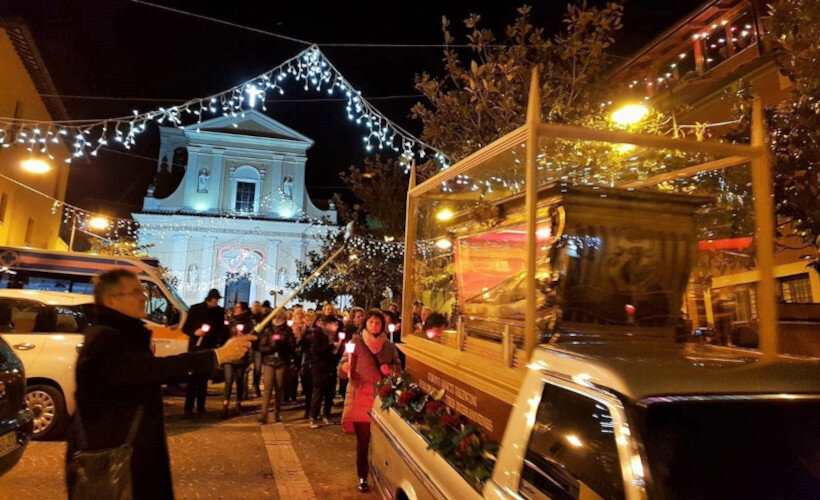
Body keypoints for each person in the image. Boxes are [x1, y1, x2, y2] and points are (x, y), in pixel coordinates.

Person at [66, 269, 253, 499]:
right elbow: (154, 370)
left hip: (132, 457)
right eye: (136, 292)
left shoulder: (123, 335)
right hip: (119, 466)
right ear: (112, 300)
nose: (144, 297)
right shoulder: (105, 339)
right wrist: (217, 356)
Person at [338, 309, 401, 493]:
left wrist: (389, 368)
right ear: (365, 323)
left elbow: (399, 369)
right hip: (360, 399)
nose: (374, 326)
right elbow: (341, 370)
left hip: (382, 399)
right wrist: (345, 367)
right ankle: (363, 476)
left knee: (382, 442)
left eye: (378, 323)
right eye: (371, 322)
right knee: (363, 441)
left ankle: (383, 473)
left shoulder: (389, 347)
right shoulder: (355, 343)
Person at [181, 288, 227, 418]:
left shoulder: (218, 312)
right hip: (195, 349)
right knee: (192, 380)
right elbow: (186, 328)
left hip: (208, 349)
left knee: (203, 381)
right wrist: (195, 332)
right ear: (210, 299)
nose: (216, 302)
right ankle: (188, 409)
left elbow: (221, 330)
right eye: (215, 300)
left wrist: (218, 342)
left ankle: (201, 407)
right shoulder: (195, 309)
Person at [257, 309, 295, 424]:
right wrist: (271, 348)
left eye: (279, 317)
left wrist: (282, 346)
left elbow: (292, 346)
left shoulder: (287, 331)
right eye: (275, 317)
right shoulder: (268, 330)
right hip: (269, 361)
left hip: (281, 362)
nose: (277, 319)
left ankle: (276, 414)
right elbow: (261, 347)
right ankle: (264, 413)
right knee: (268, 387)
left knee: (279, 387)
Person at [309, 315, 342, 428]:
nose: (336, 327)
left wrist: (337, 349)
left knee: (329, 394)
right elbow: (317, 350)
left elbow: (334, 354)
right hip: (320, 368)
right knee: (318, 393)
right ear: (327, 324)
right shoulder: (318, 334)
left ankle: (326, 415)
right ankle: (313, 417)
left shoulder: (334, 336)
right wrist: (331, 346)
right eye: (334, 324)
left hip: (331, 368)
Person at [222, 301, 253, 418]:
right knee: (228, 379)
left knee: (239, 380)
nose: (235, 309)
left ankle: (238, 401)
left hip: (241, 355)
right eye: (235, 307)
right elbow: (224, 335)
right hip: (229, 354)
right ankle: (225, 403)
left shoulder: (249, 322)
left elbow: (252, 337)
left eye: (238, 308)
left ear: (244, 310)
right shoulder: (230, 321)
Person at [339, 307, 364, 399]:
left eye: (362, 316)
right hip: (349, 355)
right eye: (358, 317)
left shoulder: (364, 330)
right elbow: (345, 343)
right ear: (353, 318)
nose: (361, 318)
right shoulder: (349, 329)